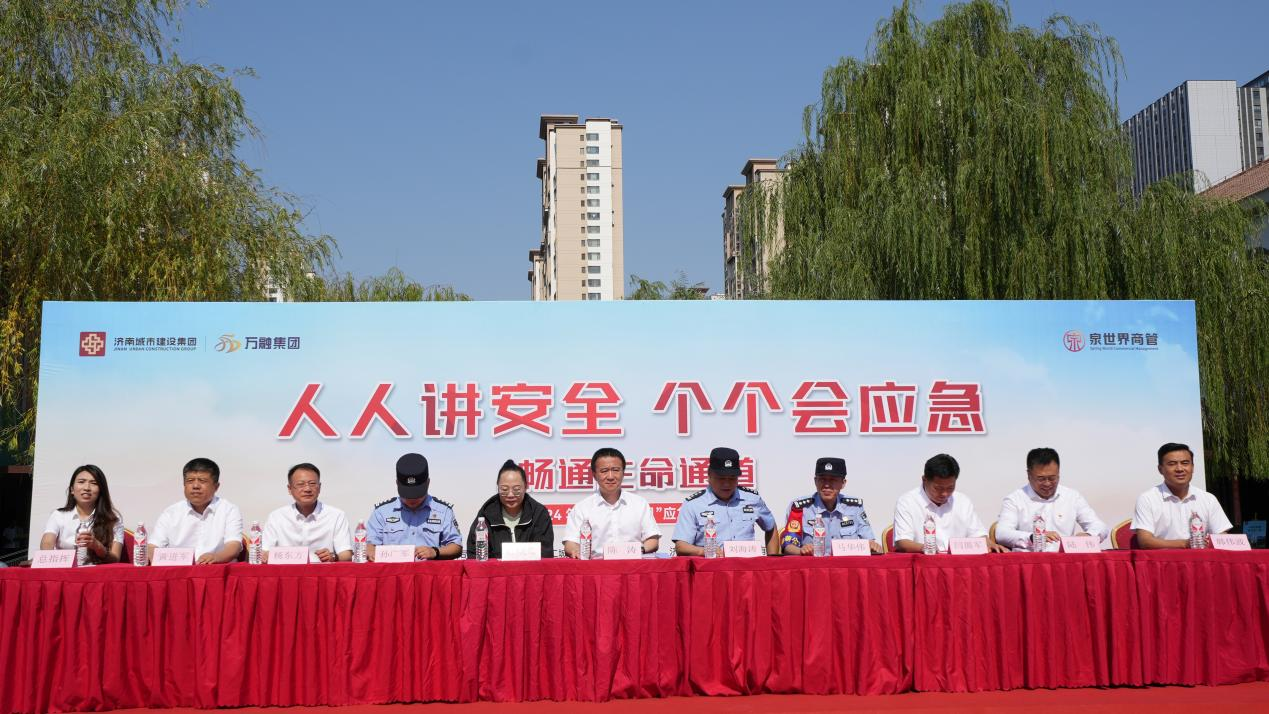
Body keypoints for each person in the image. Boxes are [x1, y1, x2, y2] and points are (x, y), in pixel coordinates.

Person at [995, 448, 1109, 551]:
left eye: (1052, 478)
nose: (1047, 483)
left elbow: (1100, 526)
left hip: (1065, 561)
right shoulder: (1014, 499)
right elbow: (1002, 534)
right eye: (1041, 479)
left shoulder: (1072, 497)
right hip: (1029, 561)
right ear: (1029, 475)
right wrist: (1034, 537)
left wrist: (1089, 536)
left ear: (1058, 474)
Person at [672, 447, 778, 556]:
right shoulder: (693, 504)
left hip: (747, 566)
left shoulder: (752, 499)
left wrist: (772, 561)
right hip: (711, 566)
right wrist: (705, 551)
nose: (727, 484)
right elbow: (681, 546)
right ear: (709, 476)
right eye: (721, 478)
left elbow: (771, 526)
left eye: (732, 478)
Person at [893, 453, 1007, 553]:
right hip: (926, 563)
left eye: (950, 488)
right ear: (924, 480)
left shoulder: (963, 501)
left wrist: (990, 544)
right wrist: (928, 549)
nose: (944, 494)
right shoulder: (907, 502)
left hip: (959, 564)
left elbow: (978, 535)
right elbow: (902, 542)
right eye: (938, 488)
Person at [561, 448, 660, 558]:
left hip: (633, 564)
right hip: (596, 565)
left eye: (616, 470)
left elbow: (653, 539)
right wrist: (576, 551)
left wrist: (637, 550)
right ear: (594, 475)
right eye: (604, 471)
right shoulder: (582, 508)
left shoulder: (640, 504)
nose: (610, 477)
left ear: (623, 473)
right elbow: (570, 542)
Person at [1132, 442, 1232, 549]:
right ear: (1160, 469)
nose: (1179, 469)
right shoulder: (1147, 499)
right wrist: (1185, 544)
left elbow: (1221, 536)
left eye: (1185, 463)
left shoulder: (1208, 499)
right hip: (1164, 558)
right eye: (1172, 464)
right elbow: (1145, 541)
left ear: (1192, 467)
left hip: (1201, 558)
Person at [366, 453, 463, 561]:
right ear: (397, 483)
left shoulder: (443, 511)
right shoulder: (382, 512)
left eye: (417, 494)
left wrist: (435, 551)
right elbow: (370, 545)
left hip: (429, 571)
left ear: (428, 483)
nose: (412, 500)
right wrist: (370, 551)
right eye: (407, 494)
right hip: (393, 571)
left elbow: (456, 546)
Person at [149, 458, 244, 564]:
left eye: (202, 481)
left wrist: (216, 557)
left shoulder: (229, 510)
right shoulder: (171, 513)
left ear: (216, 487)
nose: (195, 486)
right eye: (190, 481)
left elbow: (234, 546)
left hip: (216, 569)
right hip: (180, 571)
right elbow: (152, 546)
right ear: (184, 485)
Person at [779, 457, 881, 555]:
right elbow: (788, 545)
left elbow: (869, 541)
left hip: (846, 565)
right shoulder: (799, 508)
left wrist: (873, 546)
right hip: (813, 565)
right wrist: (801, 551)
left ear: (843, 483)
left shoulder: (854, 507)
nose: (827, 485)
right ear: (815, 481)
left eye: (833, 480)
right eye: (822, 479)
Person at [262, 462, 353, 562]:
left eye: (312, 483)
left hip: (322, 570)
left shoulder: (336, 515)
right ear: (290, 489)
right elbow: (264, 552)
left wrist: (333, 557)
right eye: (301, 484)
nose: (307, 489)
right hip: (287, 570)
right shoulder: (276, 517)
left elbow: (346, 554)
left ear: (319, 487)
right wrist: (267, 555)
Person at [466, 459, 555, 558]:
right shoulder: (486, 514)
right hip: (496, 568)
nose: (510, 495)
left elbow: (545, 554)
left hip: (530, 568)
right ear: (498, 487)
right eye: (504, 489)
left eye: (516, 489)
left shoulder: (538, 513)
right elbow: (474, 553)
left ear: (526, 487)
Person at [40, 464, 124, 564]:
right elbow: (47, 543)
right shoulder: (58, 515)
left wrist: (97, 546)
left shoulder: (113, 519)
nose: (87, 488)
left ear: (101, 490)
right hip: (65, 570)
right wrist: (47, 557)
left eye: (94, 483)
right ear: (72, 489)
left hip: (96, 571)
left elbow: (115, 558)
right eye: (81, 482)